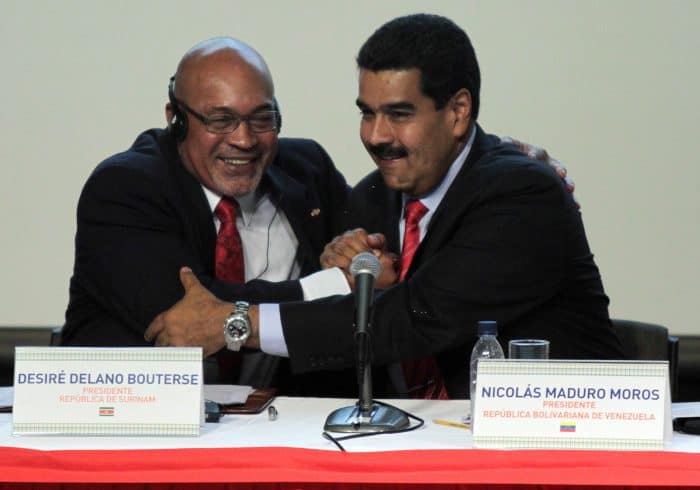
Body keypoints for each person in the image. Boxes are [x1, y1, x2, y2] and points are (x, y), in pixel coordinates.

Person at [145, 14, 624, 399]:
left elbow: (414, 318)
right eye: (367, 113)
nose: (376, 136)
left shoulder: (523, 196)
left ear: (458, 112)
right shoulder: (372, 198)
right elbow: (335, 321)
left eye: (399, 114)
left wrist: (235, 323)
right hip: (410, 447)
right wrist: (338, 271)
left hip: (556, 445)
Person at [61, 37, 353, 391]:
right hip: (137, 415)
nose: (244, 140)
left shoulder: (307, 169)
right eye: (221, 120)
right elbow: (196, 316)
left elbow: (371, 268)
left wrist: (362, 256)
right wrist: (331, 286)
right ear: (176, 121)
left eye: (262, 119)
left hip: (282, 418)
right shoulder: (125, 186)